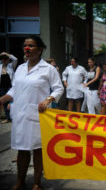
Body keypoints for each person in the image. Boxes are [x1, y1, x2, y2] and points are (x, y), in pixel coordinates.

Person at [0, 36, 64, 190]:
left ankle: (37, 183)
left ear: (40, 49)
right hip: (20, 115)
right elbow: (14, 89)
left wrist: (48, 100)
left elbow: (59, 88)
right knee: (21, 150)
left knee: (37, 150)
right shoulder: (20, 68)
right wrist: (3, 98)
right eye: (25, 45)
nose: (27, 48)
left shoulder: (48, 69)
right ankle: (20, 181)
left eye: (31, 45)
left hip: (38, 115)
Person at [0, 52, 17, 124]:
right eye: (3, 59)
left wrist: (6, 54)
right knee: (4, 102)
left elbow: (15, 59)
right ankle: (8, 118)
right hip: (2, 87)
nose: (4, 60)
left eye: (6, 59)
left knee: (11, 102)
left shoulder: (11, 66)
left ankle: (14, 116)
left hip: (10, 87)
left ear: (8, 60)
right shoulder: (0, 66)